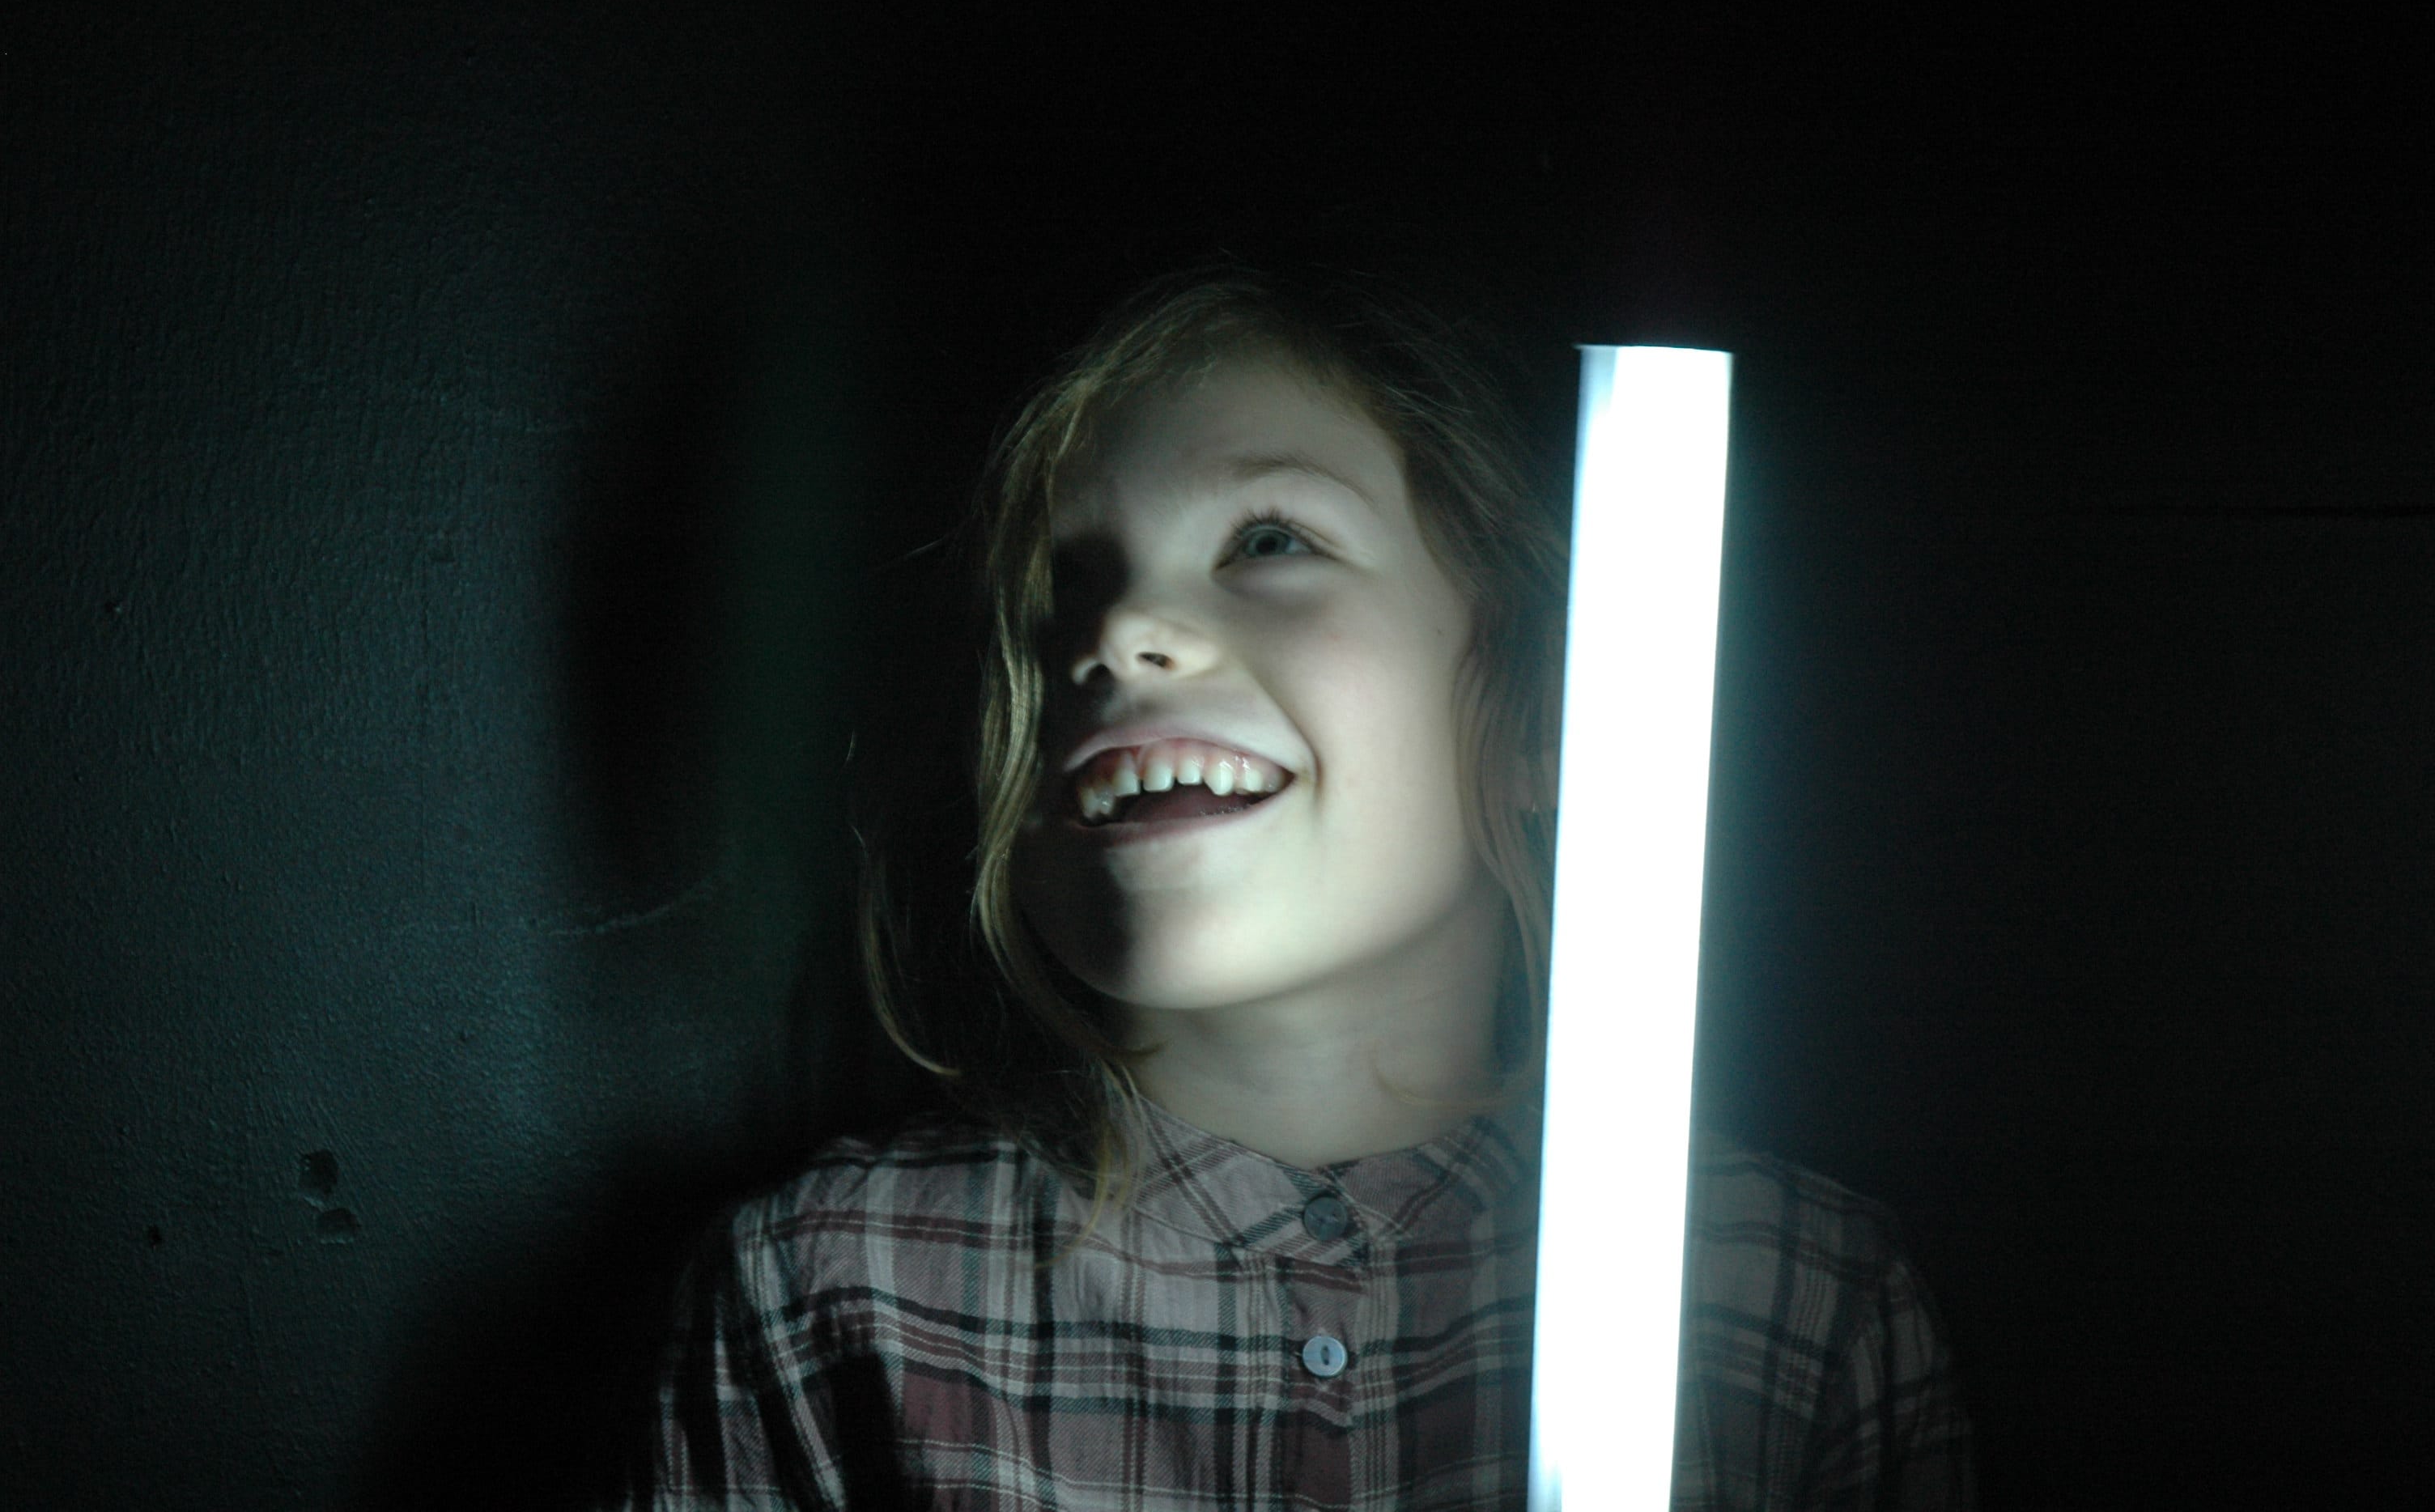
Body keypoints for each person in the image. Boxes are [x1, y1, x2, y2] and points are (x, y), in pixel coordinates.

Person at [626, 268, 1976, 1510]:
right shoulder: (829, 1297)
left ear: (1544, 703)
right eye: (1064, 584)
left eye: (1270, 540)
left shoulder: (1797, 1307)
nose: (1116, 634)